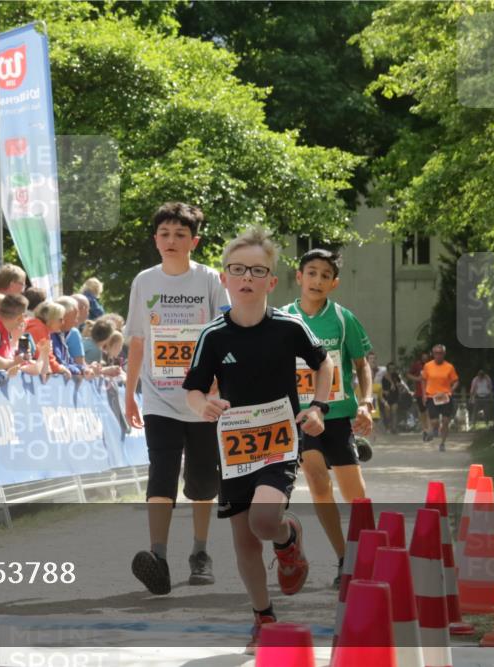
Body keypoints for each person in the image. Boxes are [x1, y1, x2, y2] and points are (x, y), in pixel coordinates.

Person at [184, 226, 333, 653]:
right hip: (233, 446)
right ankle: (263, 616)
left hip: (279, 440)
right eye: (237, 269)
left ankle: (287, 539)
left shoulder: (289, 327)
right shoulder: (213, 336)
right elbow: (194, 388)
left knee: (264, 521)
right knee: (244, 540)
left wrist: (318, 408)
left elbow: (323, 367)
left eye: (257, 270)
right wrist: (202, 406)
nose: (246, 277)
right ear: (225, 278)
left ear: (271, 281)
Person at [123, 202, 229, 594]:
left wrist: (218, 382)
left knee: (202, 482)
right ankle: (158, 556)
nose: (171, 240)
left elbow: (224, 334)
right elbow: (137, 340)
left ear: (194, 241)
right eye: (164, 234)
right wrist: (130, 391)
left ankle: (200, 552)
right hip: (157, 399)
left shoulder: (209, 281)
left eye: (180, 235)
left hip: (201, 400)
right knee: (160, 473)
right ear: (155, 239)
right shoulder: (144, 281)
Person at [281, 248, 375, 589]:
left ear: (333, 283)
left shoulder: (342, 318)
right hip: (303, 418)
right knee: (319, 483)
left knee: (355, 494)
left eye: (324, 275)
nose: (317, 280)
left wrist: (366, 402)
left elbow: (362, 366)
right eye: (312, 272)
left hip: (338, 417)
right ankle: (343, 559)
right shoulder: (284, 319)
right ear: (299, 276)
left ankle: (366, 554)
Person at [422, 344, 459, 451]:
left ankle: (442, 443)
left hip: (445, 397)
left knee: (446, 421)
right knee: (434, 421)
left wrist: (451, 390)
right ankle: (434, 430)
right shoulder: (428, 366)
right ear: (433, 354)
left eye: (440, 353)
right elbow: (423, 380)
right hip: (432, 396)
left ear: (444, 354)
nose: (438, 355)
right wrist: (424, 394)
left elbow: (456, 381)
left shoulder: (449, 367)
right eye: (436, 353)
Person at [408, 351, 431, 440]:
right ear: (421, 358)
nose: (425, 359)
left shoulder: (432, 365)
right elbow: (408, 374)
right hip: (420, 393)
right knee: (423, 412)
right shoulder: (417, 365)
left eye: (426, 357)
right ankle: (424, 430)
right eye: (423, 357)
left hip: (430, 392)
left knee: (429, 412)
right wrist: (417, 378)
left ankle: (429, 430)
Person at [381, 362, 403, 434]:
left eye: (393, 369)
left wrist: (397, 385)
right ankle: (388, 427)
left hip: (394, 397)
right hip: (387, 398)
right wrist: (387, 390)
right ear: (388, 369)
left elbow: (400, 385)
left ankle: (394, 428)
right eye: (390, 369)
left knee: (394, 411)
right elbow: (382, 389)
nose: (392, 370)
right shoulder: (384, 378)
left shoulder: (396, 376)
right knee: (387, 413)